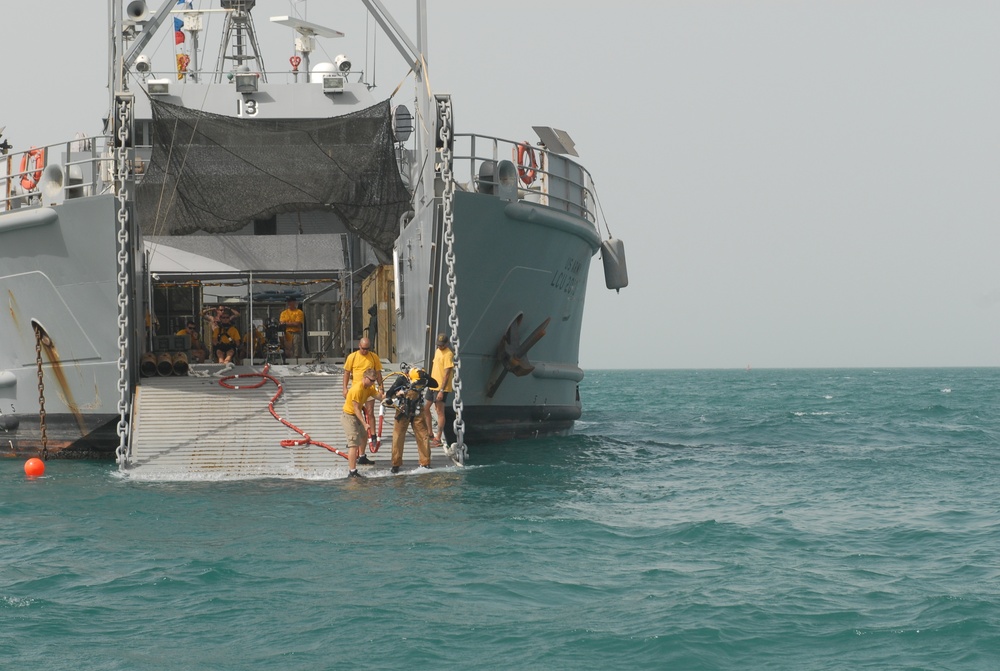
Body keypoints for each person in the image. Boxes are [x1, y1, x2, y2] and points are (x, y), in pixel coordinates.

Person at [386, 367, 435, 474]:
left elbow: (435, 384)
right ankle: (396, 464)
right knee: (398, 437)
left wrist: (425, 375)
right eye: (416, 382)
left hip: (417, 410)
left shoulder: (422, 379)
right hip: (403, 411)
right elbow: (389, 392)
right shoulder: (402, 380)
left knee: (423, 436)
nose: (418, 384)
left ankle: (425, 462)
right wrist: (390, 399)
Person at [342, 337, 383, 462]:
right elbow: (347, 373)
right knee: (355, 413)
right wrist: (344, 388)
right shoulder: (352, 357)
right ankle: (353, 440)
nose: (365, 351)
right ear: (359, 346)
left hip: (369, 389)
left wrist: (381, 387)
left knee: (370, 412)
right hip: (357, 390)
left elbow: (378, 373)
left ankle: (373, 435)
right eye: (363, 348)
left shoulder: (373, 357)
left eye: (367, 349)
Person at [341, 368, 383, 478]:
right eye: (371, 380)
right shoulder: (356, 390)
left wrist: (392, 397)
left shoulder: (369, 387)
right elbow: (356, 409)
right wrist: (365, 423)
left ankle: (362, 457)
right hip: (349, 416)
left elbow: (379, 397)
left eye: (374, 381)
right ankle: (352, 472)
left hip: (357, 415)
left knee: (364, 436)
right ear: (365, 378)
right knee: (354, 444)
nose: (373, 383)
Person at [428, 333, 455, 446]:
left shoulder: (448, 354)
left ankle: (438, 438)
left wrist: (441, 390)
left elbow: (447, 374)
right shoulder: (438, 350)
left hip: (441, 388)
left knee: (440, 412)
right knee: (425, 408)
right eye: (438, 345)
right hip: (432, 385)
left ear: (447, 344)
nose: (440, 347)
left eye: (442, 345)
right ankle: (430, 433)